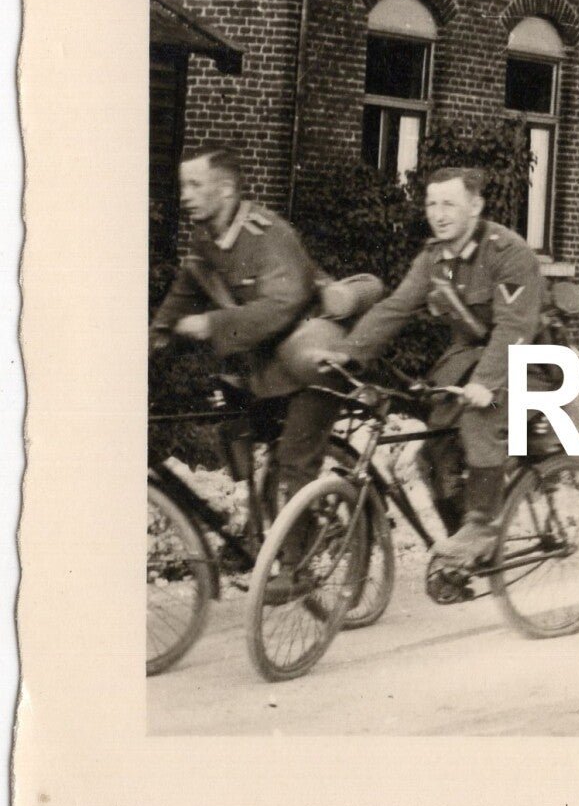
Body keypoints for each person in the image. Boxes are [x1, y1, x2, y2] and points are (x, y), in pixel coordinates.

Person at [329, 168, 545, 566]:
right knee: (434, 451)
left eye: (449, 204)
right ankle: (463, 550)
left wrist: (486, 383)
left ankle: (481, 524)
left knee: (483, 415)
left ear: (476, 206)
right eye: (431, 203)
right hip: (469, 362)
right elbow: (395, 307)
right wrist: (349, 352)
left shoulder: (508, 252)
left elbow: (515, 328)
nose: (438, 214)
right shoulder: (434, 258)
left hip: (529, 360)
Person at [149, 148, 336, 516]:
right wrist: (155, 334)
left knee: (294, 464)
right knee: (242, 444)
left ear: (225, 190)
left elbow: (285, 303)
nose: (185, 195)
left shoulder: (267, 234)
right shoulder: (207, 238)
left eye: (195, 185)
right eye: (183, 185)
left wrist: (211, 325)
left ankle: (294, 570)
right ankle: (260, 540)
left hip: (313, 362)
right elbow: (187, 287)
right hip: (268, 366)